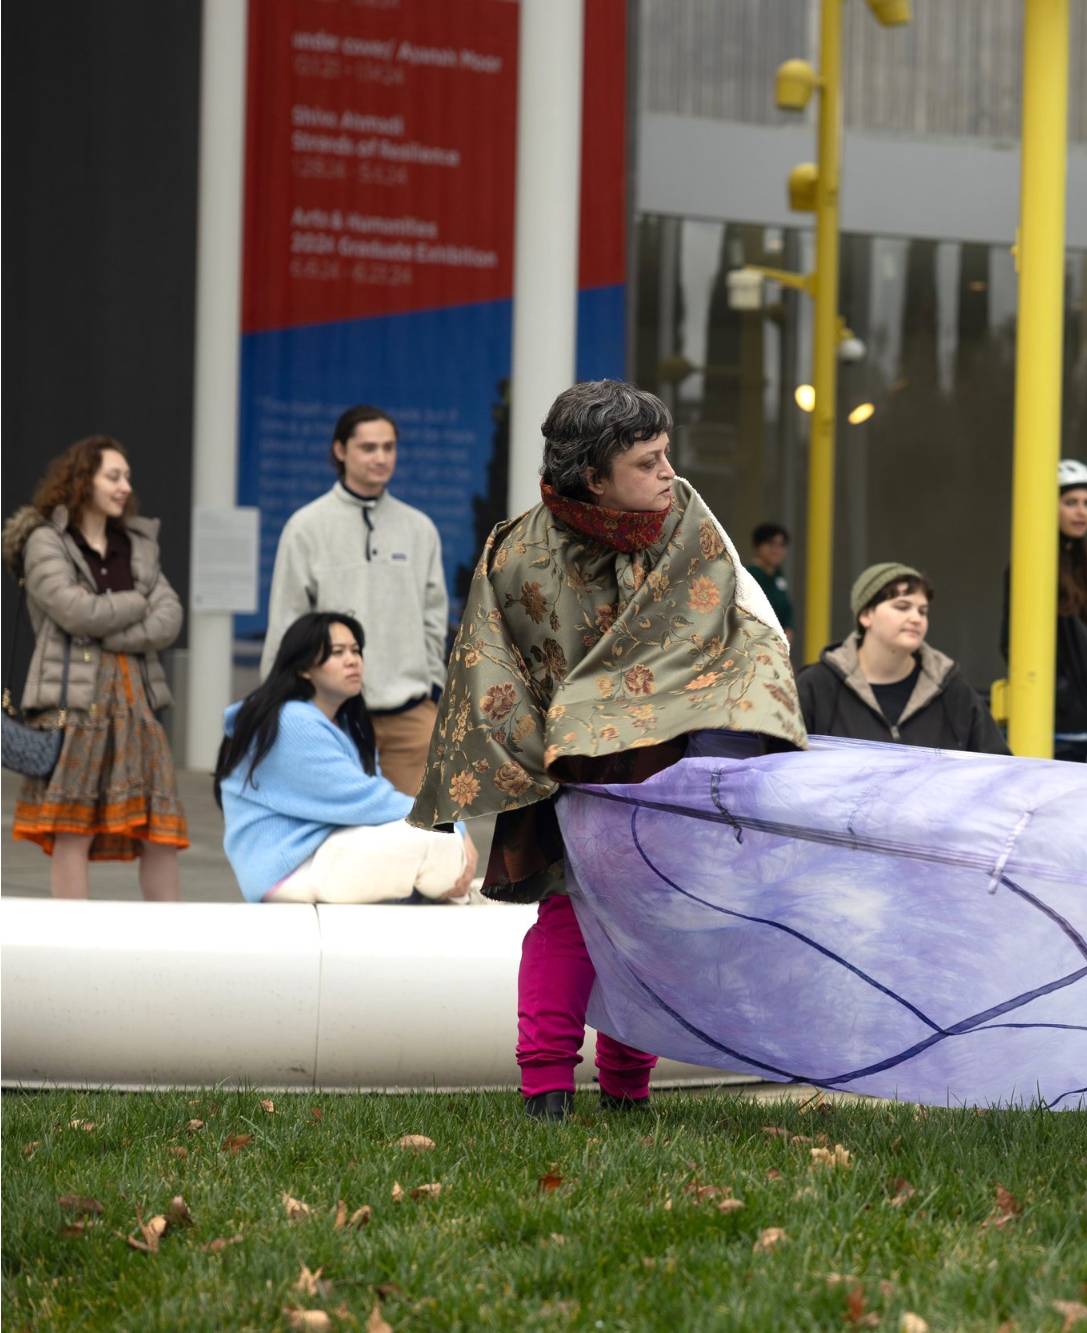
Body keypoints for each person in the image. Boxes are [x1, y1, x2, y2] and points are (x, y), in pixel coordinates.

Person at [408, 380, 805, 1121]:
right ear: (593, 476)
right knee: (568, 921)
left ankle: (629, 1091)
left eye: (666, 455)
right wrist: (542, 758)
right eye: (646, 461)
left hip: (670, 767)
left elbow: (750, 632)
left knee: (650, 922)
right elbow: (488, 668)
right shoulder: (517, 553)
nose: (667, 472)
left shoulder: (690, 522)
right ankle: (546, 1091)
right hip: (569, 778)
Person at [4, 436, 186, 899]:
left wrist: (105, 624)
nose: (125, 486)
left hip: (138, 704)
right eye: (114, 476)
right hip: (76, 704)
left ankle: (172, 944)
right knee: (73, 829)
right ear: (83, 480)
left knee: (160, 832)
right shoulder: (45, 541)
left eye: (127, 477)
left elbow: (169, 618)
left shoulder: (138, 544)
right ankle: (73, 941)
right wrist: (134, 603)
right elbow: (73, 611)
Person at [217, 612, 474, 904]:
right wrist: (452, 825)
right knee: (437, 843)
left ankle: (444, 898)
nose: (352, 661)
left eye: (355, 651)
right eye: (337, 653)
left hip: (328, 853)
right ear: (303, 668)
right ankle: (451, 899)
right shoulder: (292, 722)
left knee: (436, 843)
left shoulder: (347, 726)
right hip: (290, 868)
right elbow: (367, 801)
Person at [262, 404, 447, 796]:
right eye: (368, 448)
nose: (381, 458)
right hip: (331, 715)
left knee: (418, 840)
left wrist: (432, 690)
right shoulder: (305, 527)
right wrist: (277, 705)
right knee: (337, 841)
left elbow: (434, 619)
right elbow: (287, 620)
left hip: (409, 717)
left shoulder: (420, 529)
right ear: (340, 451)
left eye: (388, 447)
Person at [797, 562, 1009, 754]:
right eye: (902, 607)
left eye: (923, 611)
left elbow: (998, 770)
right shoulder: (816, 686)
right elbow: (777, 767)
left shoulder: (953, 689)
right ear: (865, 615)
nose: (916, 618)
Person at [1001, 459, 1087, 762]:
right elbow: (1013, 642)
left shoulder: (1078, 563)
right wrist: (1063, 702)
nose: (1082, 511)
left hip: (1081, 728)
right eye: (1071, 502)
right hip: (1057, 729)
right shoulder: (1034, 562)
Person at [746, 522, 795, 642]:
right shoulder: (748, 575)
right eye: (771, 544)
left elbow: (786, 610)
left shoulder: (778, 576)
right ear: (758, 546)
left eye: (781, 545)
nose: (776, 550)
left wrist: (788, 629)